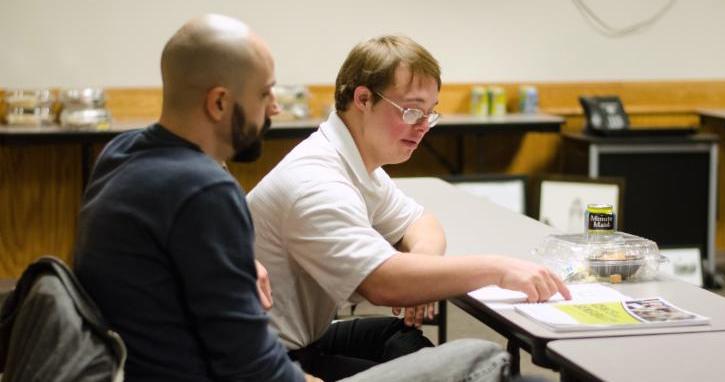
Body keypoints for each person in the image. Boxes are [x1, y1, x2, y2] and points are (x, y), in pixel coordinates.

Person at [247, 34, 571, 381]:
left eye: (429, 114)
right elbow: (383, 283)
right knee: (479, 358)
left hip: (298, 343)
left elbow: (420, 222)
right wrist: (498, 268)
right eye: (412, 110)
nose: (422, 127)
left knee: (401, 338)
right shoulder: (316, 182)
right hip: (273, 363)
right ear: (363, 98)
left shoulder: (352, 160)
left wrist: (421, 271)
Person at [73, 14, 311, 381]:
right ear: (218, 103)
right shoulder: (204, 190)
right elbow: (254, 370)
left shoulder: (121, 152)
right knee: (433, 366)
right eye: (264, 94)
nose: (274, 108)